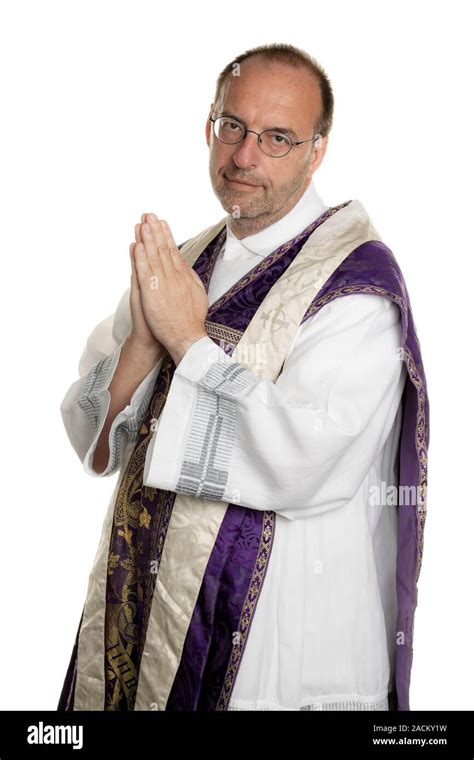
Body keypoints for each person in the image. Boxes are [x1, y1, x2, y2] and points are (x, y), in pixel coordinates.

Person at [57, 42, 429, 712]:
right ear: (209, 125)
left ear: (318, 150)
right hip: (141, 609)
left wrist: (188, 342)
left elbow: (302, 463)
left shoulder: (356, 290)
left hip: (273, 646)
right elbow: (96, 440)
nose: (244, 156)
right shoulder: (187, 260)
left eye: (277, 137)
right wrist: (144, 342)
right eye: (232, 126)